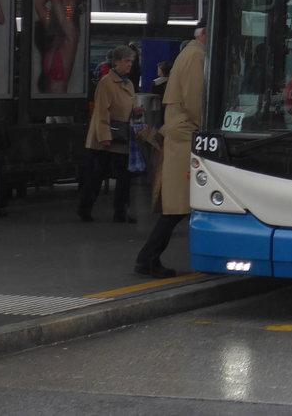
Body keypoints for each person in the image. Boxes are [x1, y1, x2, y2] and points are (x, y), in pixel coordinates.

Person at [134, 23, 207, 279]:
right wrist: (207, 127)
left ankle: (148, 258)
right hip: (186, 135)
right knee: (177, 207)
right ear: (205, 33)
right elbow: (195, 100)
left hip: (181, 133)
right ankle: (147, 258)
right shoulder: (197, 55)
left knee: (178, 206)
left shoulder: (189, 54)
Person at [79, 45, 142, 223]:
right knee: (97, 175)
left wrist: (134, 111)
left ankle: (121, 211)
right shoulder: (106, 82)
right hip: (106, 137)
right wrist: (104, 136)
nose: (130, 65)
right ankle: (86, 208)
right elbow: (101, 111)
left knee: (124, 176)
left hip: (120, 135)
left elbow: (123, 107)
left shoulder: (128, 83)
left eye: (131, 61)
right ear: (116, 62)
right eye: (127, 61)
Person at [34, 0, 85, 94]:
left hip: (60, 107)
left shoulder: (72, 35)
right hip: (47, 106)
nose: (67, 1)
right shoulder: (53, 25)